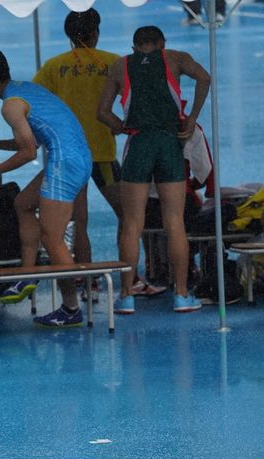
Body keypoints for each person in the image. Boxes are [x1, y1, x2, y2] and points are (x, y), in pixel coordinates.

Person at [0, 49, 92, 328]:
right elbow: (30, 141)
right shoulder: (25, 90)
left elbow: (28, 152)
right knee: (22, 203)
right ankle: (28, 271)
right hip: (76, 157)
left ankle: (71, 308)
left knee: (53, 237)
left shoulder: (9, 105)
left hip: (64, 161)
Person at [97, 25, 210, 313]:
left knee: (133, 223)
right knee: (175, 221)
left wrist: (121, 127)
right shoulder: (176, 58)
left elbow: (102, 112)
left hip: (139, 142)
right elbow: (204, 78)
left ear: (134, 47)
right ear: (162, 44)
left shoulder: (119, 66)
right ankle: (182, 295)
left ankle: (126, 296)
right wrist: (191, 117)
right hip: (170, 142)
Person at [33, 8, 122, 302]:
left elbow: (33, 105)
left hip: (69, 156)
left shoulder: (53, 67)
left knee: (79, 222)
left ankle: (86, 280)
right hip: (103, 154)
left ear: (69, 36)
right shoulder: (113, 63)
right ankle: (136, 277)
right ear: (96, 32)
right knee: (129, 216)